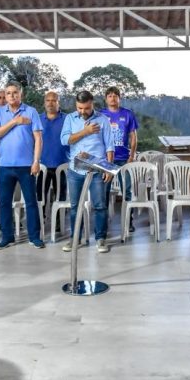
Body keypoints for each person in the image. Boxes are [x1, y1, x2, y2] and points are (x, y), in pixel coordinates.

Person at [0, 81, 44, 249]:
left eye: (15, 92)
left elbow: (38, 139)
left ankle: (34, 237)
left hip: (26, 166)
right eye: (8, 93)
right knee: (5, 203)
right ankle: (7, 237)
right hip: (5, 165)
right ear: (5, 96)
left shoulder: (31, 112)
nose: (12, 96)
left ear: (21, 94)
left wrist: (36, 161)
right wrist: (15, 121)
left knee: (31, 202)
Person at [60, 90, 114, 254]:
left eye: (87, 108)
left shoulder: (103, 120)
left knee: (99, 206)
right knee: (76, 206)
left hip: (97, 170)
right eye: (80, 108)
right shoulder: (70, 119)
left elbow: (109, 146)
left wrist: (109, 169)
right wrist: (86, 131)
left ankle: (100, 238)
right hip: (75, 170)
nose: (83, 111)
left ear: (93, 104)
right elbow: (64, 140)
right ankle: (75, 238)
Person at [100, 86, 139, 232]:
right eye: (109, 96)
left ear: (119, 98)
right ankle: (102, 224)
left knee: (127, 192)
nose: (112, 98)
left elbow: (133, 136)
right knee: (103, 191)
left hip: (124, 159)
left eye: (115, 95)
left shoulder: (127, 114)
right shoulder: (101, 115)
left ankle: (129, 222)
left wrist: (132, 155)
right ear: (106, 99)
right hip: (106, 160)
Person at [38, 91, 69, 230]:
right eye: (48, 100)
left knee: (60, 196)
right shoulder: (38, 119)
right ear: (44, 103)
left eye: (53, 100)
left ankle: (59, 223)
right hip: (42, 166)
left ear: (58, 103)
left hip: (61, 165)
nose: (50, 103)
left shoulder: (67, 119)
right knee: (40, 196)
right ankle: (40, 221)